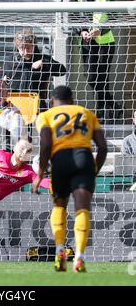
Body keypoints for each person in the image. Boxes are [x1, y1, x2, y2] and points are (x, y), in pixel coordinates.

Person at [33, 85, 107, 273]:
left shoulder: (45, 115)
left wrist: (41, 172)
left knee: (59, 206)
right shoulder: (86, 113)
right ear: (73, 100)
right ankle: (80, 258)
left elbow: (46, 143)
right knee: (82, 208)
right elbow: (103, 146)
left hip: (60, 161)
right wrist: (94, 169)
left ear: (52, 101)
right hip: (84, 160)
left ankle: (60, 252)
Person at [76, 0, 122, 121]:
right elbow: (74, 16)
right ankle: (113, 105)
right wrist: (81, 31)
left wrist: (100, 30)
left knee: (102, 78)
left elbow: (114, 17)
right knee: (91, 78)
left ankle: (100, 114)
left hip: (105, 42)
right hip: (87, 43)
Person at [2, 28, 67, 112]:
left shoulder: (43, 58)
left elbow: (62, 70)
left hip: (37, 104)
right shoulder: (11, 61)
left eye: (28, 48)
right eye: (22, 48)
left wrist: (44, 63)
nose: (25, 52)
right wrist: (3, 82)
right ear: (17, 47)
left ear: (33, 45)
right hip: (14, 105)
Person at [0, 78, 24, 148]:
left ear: (7, 94)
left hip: (5, 147)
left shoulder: (15, 112)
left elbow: (15, 136)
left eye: (1, 91)